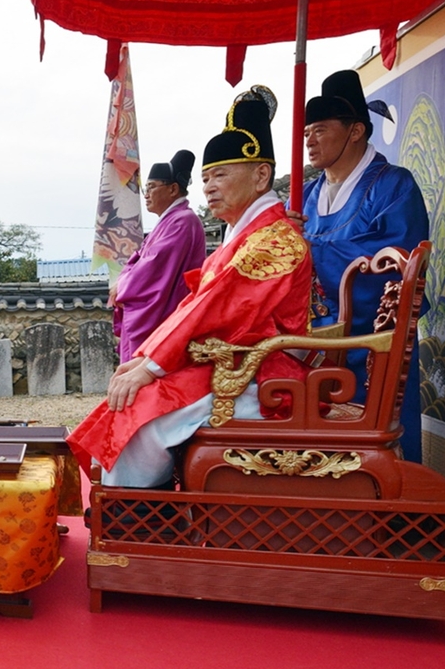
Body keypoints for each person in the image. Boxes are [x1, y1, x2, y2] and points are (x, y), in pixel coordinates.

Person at [69, 86, 312, 489]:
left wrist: (150, 366)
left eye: (220, 174)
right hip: (233, 361)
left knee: (144, 417)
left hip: (261, 372)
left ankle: (138, 523)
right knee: (135, 399)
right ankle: (136, 516)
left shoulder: (274, 240)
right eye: (205, 178)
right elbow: (195, 305)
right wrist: (146, 359)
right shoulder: (247, 234)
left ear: (261, 175)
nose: (209, 187)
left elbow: (212, 307)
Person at [296, 69, 431, 463]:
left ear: (355, 131)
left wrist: (310, 249)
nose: (309, 141)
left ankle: (391, 519)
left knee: (376, 451)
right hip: (312, 345)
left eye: (320, 130)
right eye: (306, 132)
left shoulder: (394, 185)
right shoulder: (305, 196)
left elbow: (394, 261)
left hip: (373, 342)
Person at [111, 150, 208, 362]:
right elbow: (138, 257)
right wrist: (121, 280)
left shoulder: (183, 221)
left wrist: (123, 286)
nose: (146, 194)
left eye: (152, 187)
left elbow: (153, 267)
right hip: (160, 311)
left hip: (166, 312)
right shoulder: (169, 221)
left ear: (173, 189)